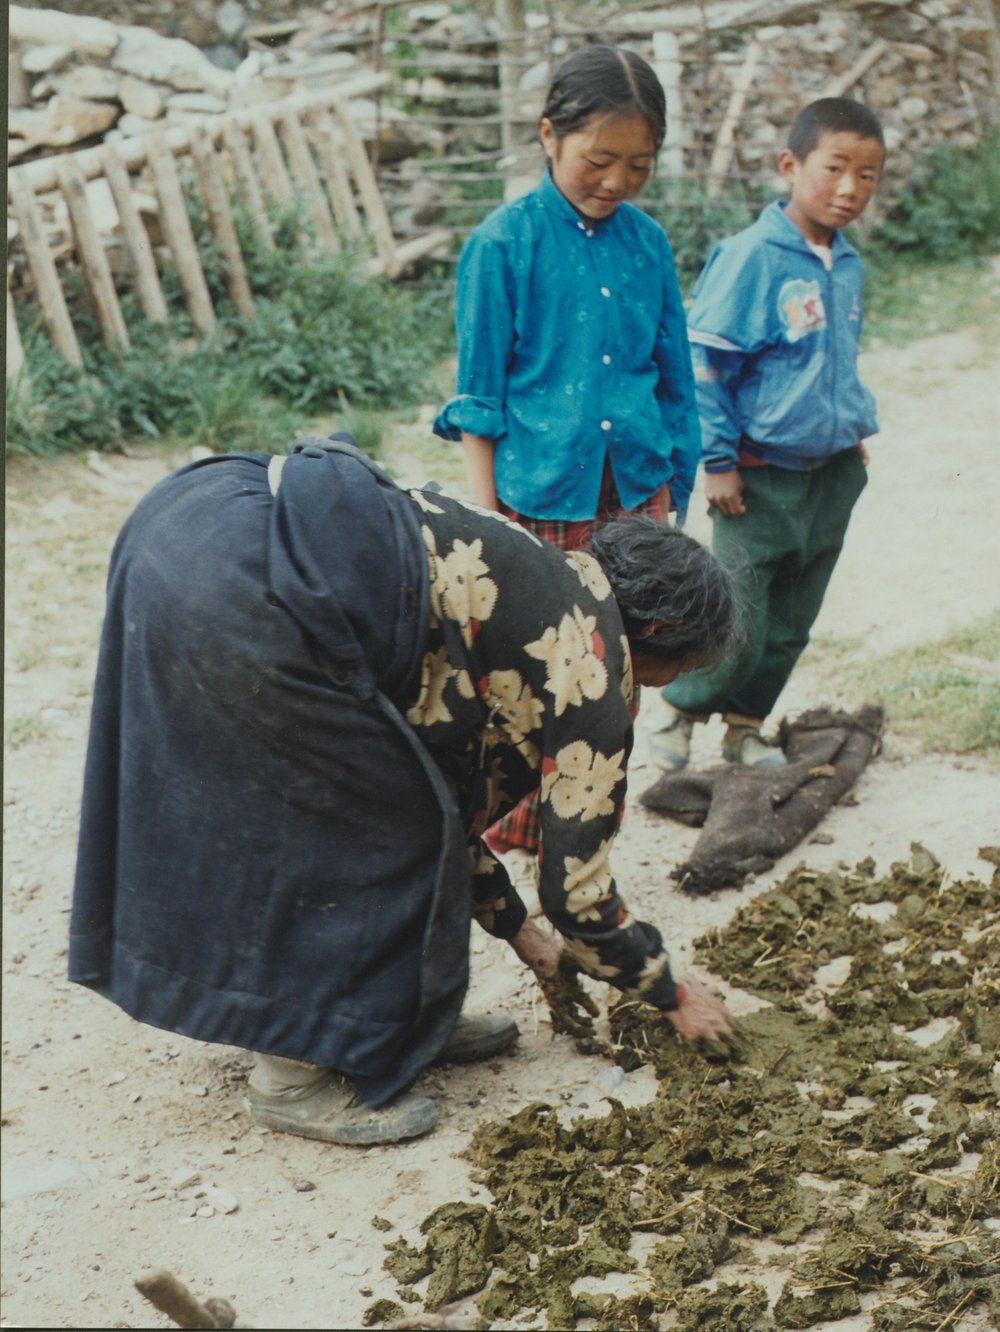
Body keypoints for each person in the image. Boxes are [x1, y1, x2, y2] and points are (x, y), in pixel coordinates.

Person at [69, 436, 738, 1147]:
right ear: (660, 630)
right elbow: (578, 895)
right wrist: (674, 994)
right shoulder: (592, 668)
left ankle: (392, 1021)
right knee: (341, 820)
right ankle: (290, 1076)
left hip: (197, 515)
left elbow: (444, 810)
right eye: (683, 664)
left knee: (398, 803)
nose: (664, 686)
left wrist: (523, 937)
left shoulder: (544, 586)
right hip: (252, 585)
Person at [434, 43, 700, 858]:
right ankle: (512, 831)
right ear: (548, 136)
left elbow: (675, 377)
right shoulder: (503, 245)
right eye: (598, 160)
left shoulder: (647, 244)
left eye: (639, 166)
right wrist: (485, 517)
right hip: (539, 497)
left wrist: (676, 497)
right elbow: (479, 396)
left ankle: (585, 832)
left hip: (636, 495)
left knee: (622, 668)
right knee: (536, 668)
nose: (616, 182)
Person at [653, 97, 885, 772]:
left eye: (867, 175)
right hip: (757, 478)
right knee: (739, 608)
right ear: (791, 165)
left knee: (791, 618)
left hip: (831, 472)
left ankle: (745, 728)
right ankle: (682, 716)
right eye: (835, 168)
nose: (850, 188)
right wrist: (718, 461)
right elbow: (707, 368)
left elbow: (834, 359)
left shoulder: (846, 263)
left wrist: (848, 430)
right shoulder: (751, 257)